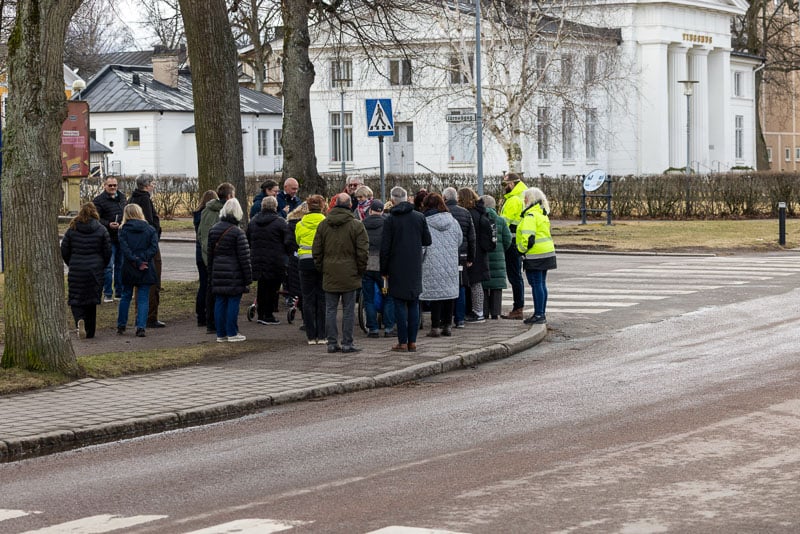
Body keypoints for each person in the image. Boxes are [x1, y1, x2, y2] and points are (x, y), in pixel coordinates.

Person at [313, 193, 369, 354]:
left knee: (330, 309)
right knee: (349, 309)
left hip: (329, 271)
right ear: (350, 205)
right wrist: (360, 270)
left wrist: (322, 268)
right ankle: (347, 343)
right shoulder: (356, 225)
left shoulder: (323, 225)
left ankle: (331, 343)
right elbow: (362, 252)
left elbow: (317, 250)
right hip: (350, 272)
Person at [381, 186, 431, 352]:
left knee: (399, 304)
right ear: (407, 198)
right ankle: (413, 342)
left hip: (396, 265)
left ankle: (402, 342)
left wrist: (384, 270)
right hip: (415, 264)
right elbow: (427, 240)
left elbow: (385, 248)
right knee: (414, 302)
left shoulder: (390, 219)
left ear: (392, 200)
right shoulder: (419, 217)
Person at [61, 202, 112, 339]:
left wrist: (71, 262)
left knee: (75, 299)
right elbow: (107, 251)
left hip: (77, 267)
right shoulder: (101, 229)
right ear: (95, 212)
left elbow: (64, 249)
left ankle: (79, 320)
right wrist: (102, 264)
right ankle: (90, 332)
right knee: (91, 300)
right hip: (94, 269)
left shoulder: (72, 228)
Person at [208, 198, 252, 342]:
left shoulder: (213, 229)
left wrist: (211, 273)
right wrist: (248, 278)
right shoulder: (237, 232)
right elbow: (244, 257)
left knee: (220, 301)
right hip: (234, 272)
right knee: (233, 302)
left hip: (218, 270)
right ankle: (232, 332)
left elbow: (210, 254)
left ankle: (221, 334)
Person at [419, 192, 462, 339]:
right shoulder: (453, 221)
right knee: (448, 294)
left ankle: (435, 326)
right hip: (450, 263)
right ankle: (448, 325)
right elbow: (459, 240)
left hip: (431, 263)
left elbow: (422, 245)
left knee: (436, 295)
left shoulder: (424, 222)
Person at [116, 203, 159, 338]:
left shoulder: (123, 230)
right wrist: (143, 260)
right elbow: (153, 248)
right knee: (143, 298)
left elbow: (125, 249)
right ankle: (141, 326)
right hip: (146, 266)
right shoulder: (150, 229)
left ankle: (121, 324)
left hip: (129, 266)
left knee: (126, 296)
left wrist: (136, 260)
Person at [198, 182, 236, 333]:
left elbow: (201, 234)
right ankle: (216, 323)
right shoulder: (224, 213)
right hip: (219, 257)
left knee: (209, 289)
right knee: (219, 292)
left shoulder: (206, 210)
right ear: (229, 196)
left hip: (208, 254)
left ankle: (209, 322)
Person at [128, 173, 165, 328]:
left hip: (135, 246)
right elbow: (150, 223)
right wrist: (155, 235)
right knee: (152, 280)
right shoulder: (145, 199)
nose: (154, 186)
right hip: (149, 246)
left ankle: (141, 315)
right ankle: (150, 316)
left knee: (139, 283)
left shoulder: (132, 199)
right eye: (153, 183)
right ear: (147, 184)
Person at [517, 187, 557, 325]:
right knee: (541, 284)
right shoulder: (542, 214)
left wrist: (520, 250)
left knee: (536, 284)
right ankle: (541, 312)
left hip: (535, 255)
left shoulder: (530, 216)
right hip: (547, 253)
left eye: (525, 198)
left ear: (528, 199)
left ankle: (539, 314)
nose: (524, 200)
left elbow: (528, 239)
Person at [247, 195, 290, 325]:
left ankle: (261, 313)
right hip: (275, 260)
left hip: (257, 259)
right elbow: (287, 241)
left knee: (262, 286)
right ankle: (268, 314)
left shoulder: (253, 221)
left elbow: (248, 238)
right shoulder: (280, 222)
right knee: (273, 288)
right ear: (276, 207)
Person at [296, 195, 327, 344]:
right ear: (322, 206)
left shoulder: (300, 224)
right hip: (322, 262)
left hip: (305, 262)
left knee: (307, 299)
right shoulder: (326, 223)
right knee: (322, 298)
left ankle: (310, 336)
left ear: (307, 207)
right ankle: (322, 335)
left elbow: (298, 241)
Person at [362, 199, 395, 338]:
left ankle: (373, 329)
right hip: (383, 270)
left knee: (368, 299)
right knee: (387, 297)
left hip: (366, 267)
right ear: (382, 211)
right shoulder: (387, 224)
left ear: (370, 211)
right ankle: (388, 328)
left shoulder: (362, 225)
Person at [443, 186, 475, 328]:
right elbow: (471, 237)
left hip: (445, 255)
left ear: (444, 198)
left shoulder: (442, 213)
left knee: (445, 286)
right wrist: (470, 257)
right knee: (461, 285)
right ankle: (460, 319)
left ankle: (446, 318)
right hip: (461, 255)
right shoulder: (465, 213)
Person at [459, 187, 491, 323]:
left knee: (473, 283)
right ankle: (478, 311)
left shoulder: (468, 214)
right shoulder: (480, 211)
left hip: (472, 252)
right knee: (476, 283)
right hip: (481, 252)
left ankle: (478, 313)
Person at [92, 176, 126, 302]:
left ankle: (119, 292)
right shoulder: (99, 200)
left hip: (121, 236)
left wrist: (122, 223)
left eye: (115, 185)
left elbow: (126, 212)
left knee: (120, 265)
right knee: (108, 266)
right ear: (104, 186)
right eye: (110, 185)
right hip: (107, 238)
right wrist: (108, 224)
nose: (113, 188)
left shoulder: (122, 197)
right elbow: (95, 218)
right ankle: (107, 293)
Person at [499, 172, 527, 319]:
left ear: (512, 184)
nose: (504, 187)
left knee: (514, 276)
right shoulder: (520, 196)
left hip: (511, 242)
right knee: (516, 276)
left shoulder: (513, 200)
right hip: (517, 241)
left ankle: (518, 309)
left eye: (505, 184)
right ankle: (518, 307)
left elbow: (504, 223)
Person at [480, 195, 512, 320]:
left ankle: (484, 311)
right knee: (496, 287)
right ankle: (495, 313)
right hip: (498, 258)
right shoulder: (501, 220)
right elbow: (508, 239)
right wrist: (501, 249)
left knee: (483, 286)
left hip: (484, 257)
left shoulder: (480, 219)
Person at [193, 190, 218, 327]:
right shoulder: (211, 215)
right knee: (209, 285)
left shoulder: (198, 214)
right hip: (207, 252)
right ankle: (209, 313)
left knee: (203, 285)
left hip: (198, 253)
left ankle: (200, 315)